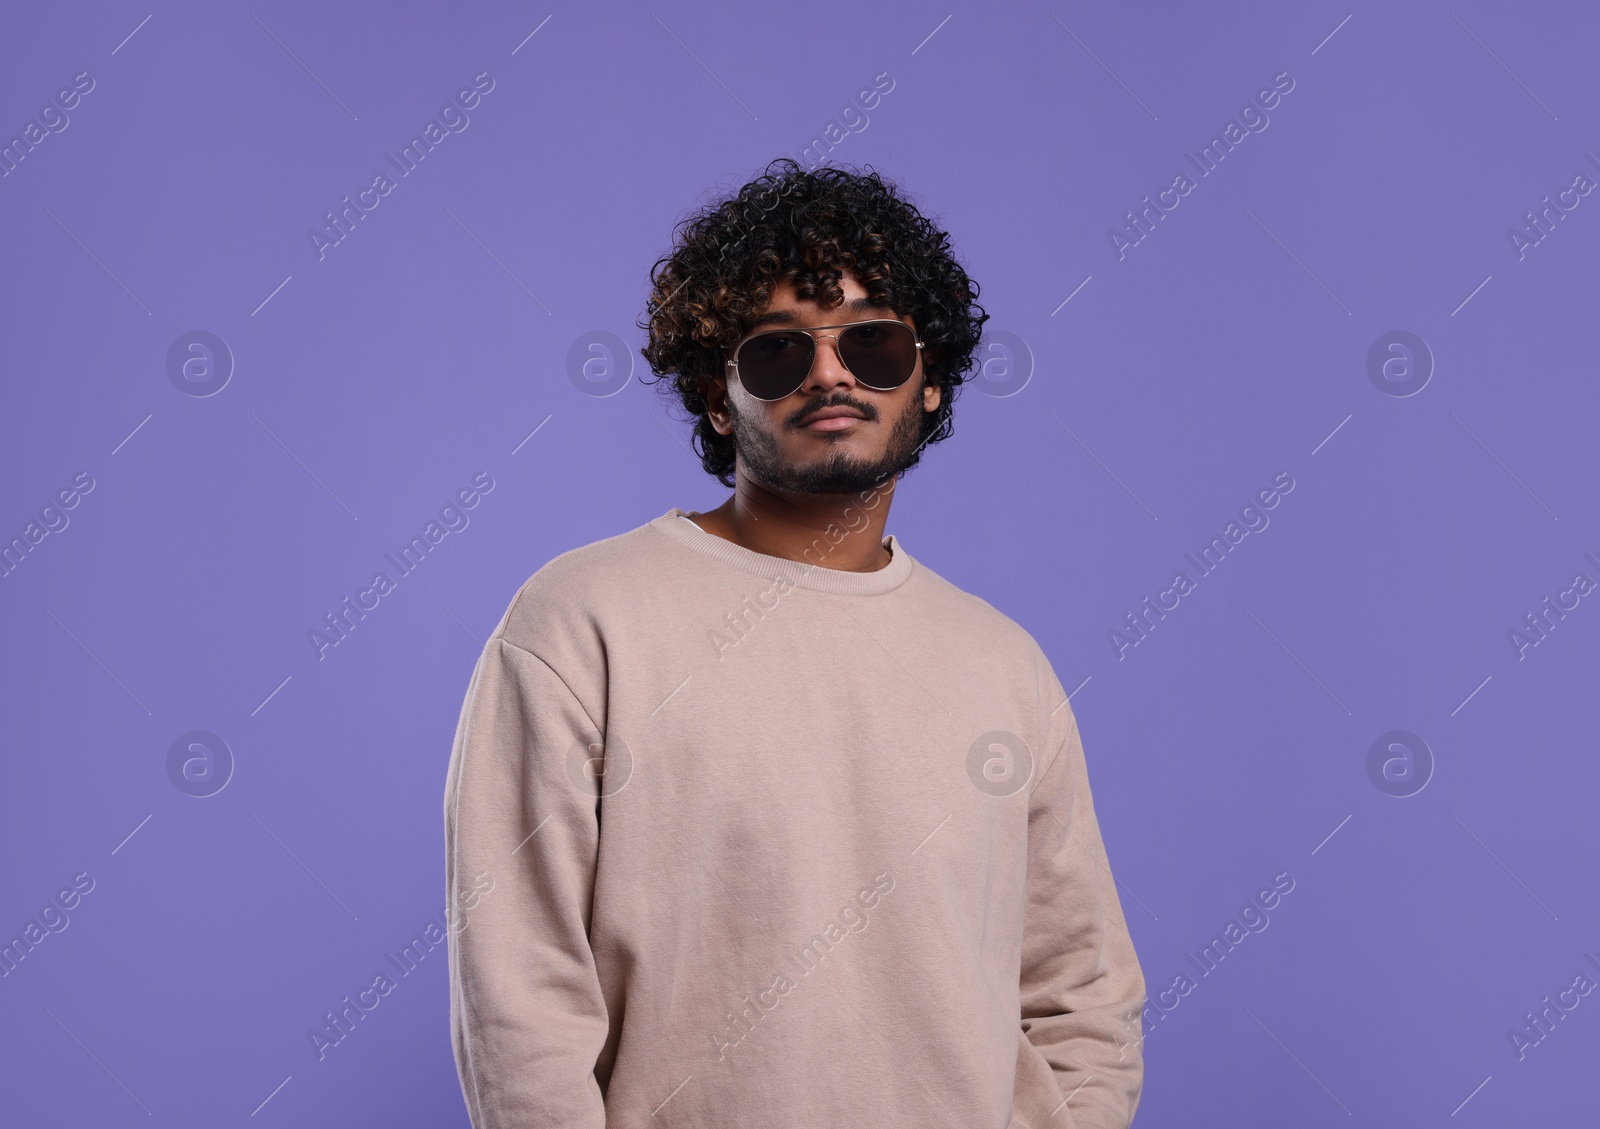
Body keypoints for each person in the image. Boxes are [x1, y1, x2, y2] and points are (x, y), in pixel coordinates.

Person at [443, 157, 1146, 1128]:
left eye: (873, 344)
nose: (829, 373)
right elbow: (520, 993)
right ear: (715, 394)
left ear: (929, 383)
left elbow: (1084, 992)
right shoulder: (582, 621)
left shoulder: (1003, 665)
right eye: (778, 350)